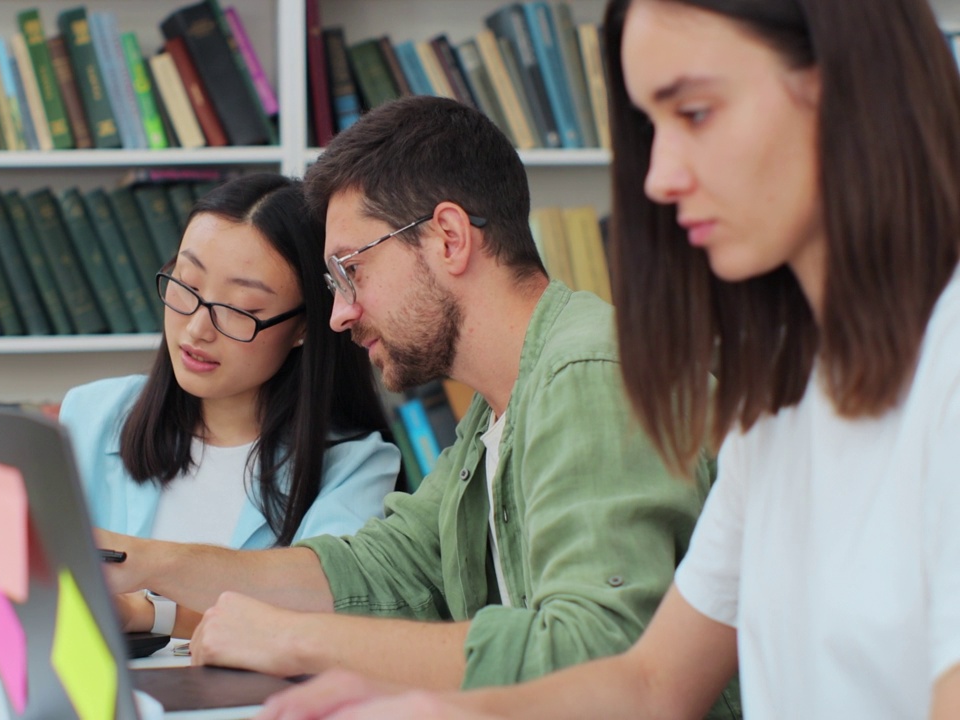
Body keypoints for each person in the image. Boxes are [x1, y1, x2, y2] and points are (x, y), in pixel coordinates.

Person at [257, 0, 960, 717]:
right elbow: (651, 683)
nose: (658, 178)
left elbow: (602, 647)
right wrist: (438, 711)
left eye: (694, 112)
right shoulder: (784, 401)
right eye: (651, 127)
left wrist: (305, 644)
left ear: (846, 87)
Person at [98, 96, 733, 712]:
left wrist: (292, 640)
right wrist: (148, 564)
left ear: (449, 239)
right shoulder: (496, 412)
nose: (341, 314)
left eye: (350, 270)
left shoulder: (588, 373)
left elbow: (594, 655)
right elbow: (379, 573)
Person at [59, 173, 402, 640]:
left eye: (240, 308)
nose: (198, 328)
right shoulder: (90, 416)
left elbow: (318, 627)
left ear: (303, 327)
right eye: (187, 285)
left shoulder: (354, 467)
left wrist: (149, 614)